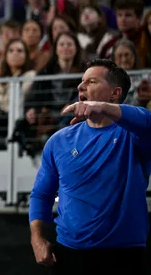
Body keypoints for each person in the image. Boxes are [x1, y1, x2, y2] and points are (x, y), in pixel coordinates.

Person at [29, 59, 151, 274]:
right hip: (70, 254)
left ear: (115, 93)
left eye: (91, 81)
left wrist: (102, 107)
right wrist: (37, 237)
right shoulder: (59, 141)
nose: (80, 86)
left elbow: (147, 121)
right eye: (81, 81)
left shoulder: (134, 135)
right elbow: (41, 194)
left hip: (125, 255)